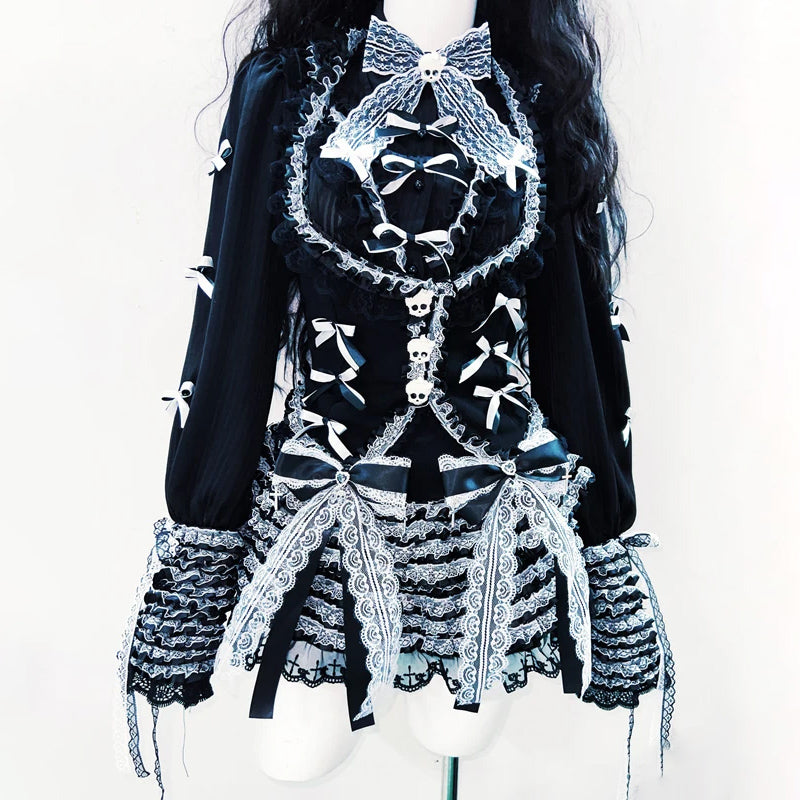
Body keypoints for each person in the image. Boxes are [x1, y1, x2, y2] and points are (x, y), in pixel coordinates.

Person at [116, 0, 675, 796]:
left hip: (488, 534)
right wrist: (201, 550)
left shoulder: (535, 95)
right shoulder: (287, 86)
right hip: (325, 514)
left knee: (457, 733)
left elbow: (575, 335)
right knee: (295, 756)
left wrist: (604, 543)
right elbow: (234, 318)